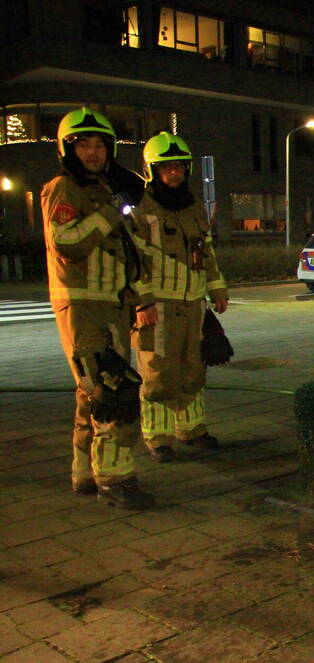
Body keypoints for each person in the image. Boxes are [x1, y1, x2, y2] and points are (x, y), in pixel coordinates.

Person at [40, 106, 155, 509]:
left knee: (90, 394)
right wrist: (112, 209)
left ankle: (85, 472)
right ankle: (116, 480)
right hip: (84, 305)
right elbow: (68, 243)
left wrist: (142, 299)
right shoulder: (63, 188)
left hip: (110, 306)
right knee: (113, 392)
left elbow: (127, 254)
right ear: (67, 149)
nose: (93, 152)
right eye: (84, 145)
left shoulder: (103, 190)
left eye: (99, 145)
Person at [129, 132, 229, 462]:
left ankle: (192, 427)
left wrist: (216, 288)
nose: (173, 173)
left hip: (193, 303)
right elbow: (131, 258)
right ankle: (157, 437)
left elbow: (207, 251)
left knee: (193, 366)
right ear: (152, 170)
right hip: (157, 305)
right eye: (166, 167)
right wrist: (142, 301)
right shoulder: (139, 209)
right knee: (157, 371)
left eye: (179, 167)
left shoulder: (195, 208)